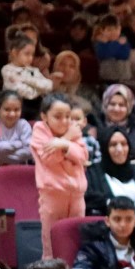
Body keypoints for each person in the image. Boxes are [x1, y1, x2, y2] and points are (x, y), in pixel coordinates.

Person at [29, 96, 88, 260]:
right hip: (53, 196)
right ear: (44, 116)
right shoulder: (39, 130)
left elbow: (83, 156)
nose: (64, 121)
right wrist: (67, 140)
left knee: (77, 246)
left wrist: (62, 145)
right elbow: (49, 158)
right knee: (51, 249)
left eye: (68, 116)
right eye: (57, 116)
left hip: (77, 197)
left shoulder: (73, 129)